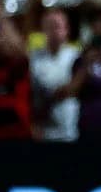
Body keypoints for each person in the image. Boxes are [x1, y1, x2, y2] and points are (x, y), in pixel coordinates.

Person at [29, 7, 80, 141]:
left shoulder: (76, 56)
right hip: (44, 131)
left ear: (66, 29)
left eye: (57, 26)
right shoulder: (34, 59)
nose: (53, 32)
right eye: (49, 27)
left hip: (71, 130)